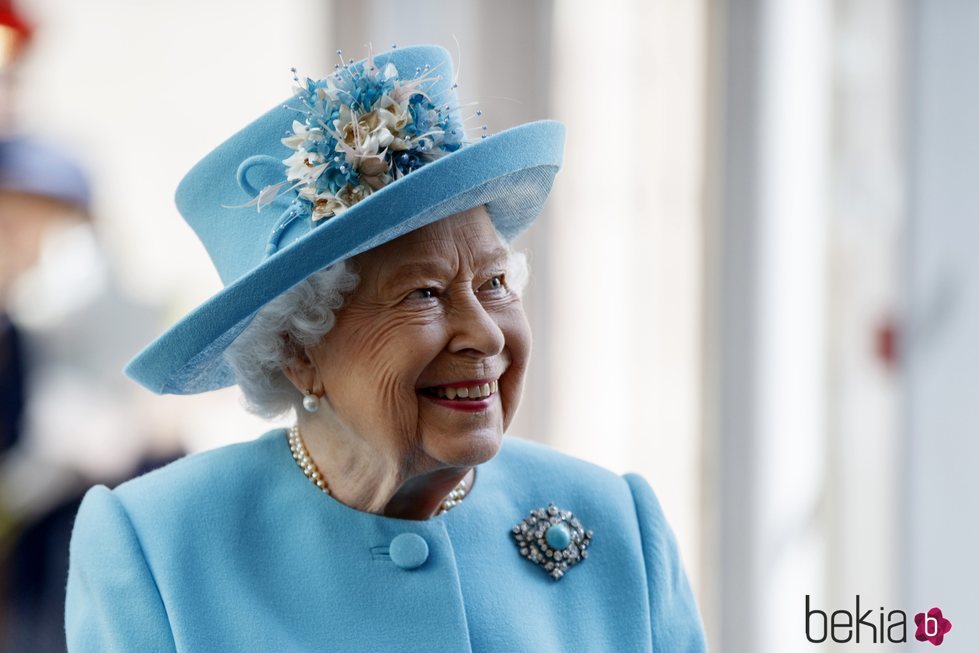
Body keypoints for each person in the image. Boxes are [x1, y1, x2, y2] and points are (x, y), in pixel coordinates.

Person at [64, 45, 708, 651]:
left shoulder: (621, 525)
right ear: (300, 350)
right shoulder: (156, 546)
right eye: (424, 294)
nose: (485, 333)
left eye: (495, 283)